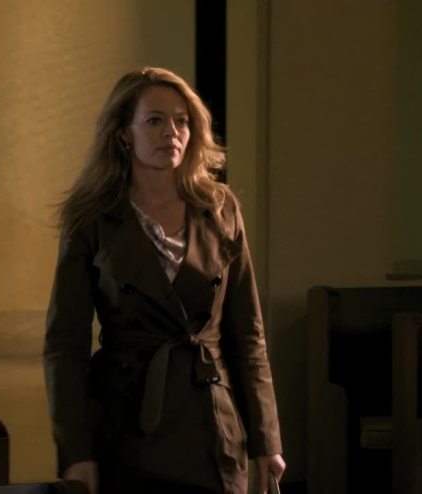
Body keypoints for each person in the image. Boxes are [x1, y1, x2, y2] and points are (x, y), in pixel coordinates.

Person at [44, 67, 285, 494]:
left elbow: (247, 334)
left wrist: (267, 440)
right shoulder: (91, 217)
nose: (171, 132)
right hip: (126, 420)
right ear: (124, 133)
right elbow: (66, 344)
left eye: (181, 121)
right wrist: (76, 452)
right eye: (154, 120)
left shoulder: (220, 208)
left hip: (210, 422)